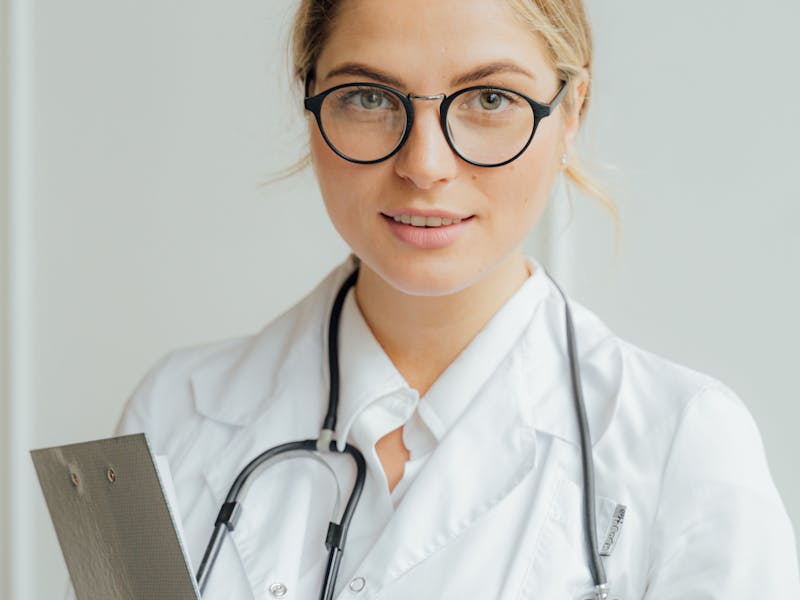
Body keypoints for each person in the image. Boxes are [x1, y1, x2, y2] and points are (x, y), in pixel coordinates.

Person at [66, 0, 800, 598]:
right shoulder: (166, 414)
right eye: (368, 97)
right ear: (309, 100)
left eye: (489, 99)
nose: (424, 164)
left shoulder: (684, 443)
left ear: (570, 111)